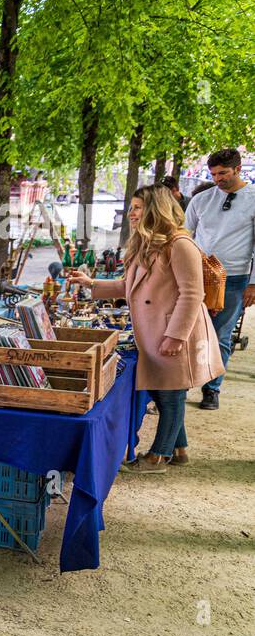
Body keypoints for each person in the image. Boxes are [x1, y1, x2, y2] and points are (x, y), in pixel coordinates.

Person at [68, 184, 222, 471]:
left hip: (173, 331)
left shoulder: (180, 244)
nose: (131, 213)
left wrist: (176, 336)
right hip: (154, 332)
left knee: (171, 394)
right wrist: (92, 285)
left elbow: (192, 294)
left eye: (138, 207)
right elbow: (129, 287)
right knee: (164, 390)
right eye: (132, 207)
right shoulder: (147, 243)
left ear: (156, 209)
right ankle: (179, 447)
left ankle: (158, 456)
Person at [184, 148, 255, 410]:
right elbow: (183, 235)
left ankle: (212, 388)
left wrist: (253, 283)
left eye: (223, 173)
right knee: (187, 331)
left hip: (235, 278)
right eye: (213, 174)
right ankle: (180, 384)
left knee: (221, 335)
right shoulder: (201, 200)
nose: (217, 179)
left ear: (238, 169)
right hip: (196, 277)